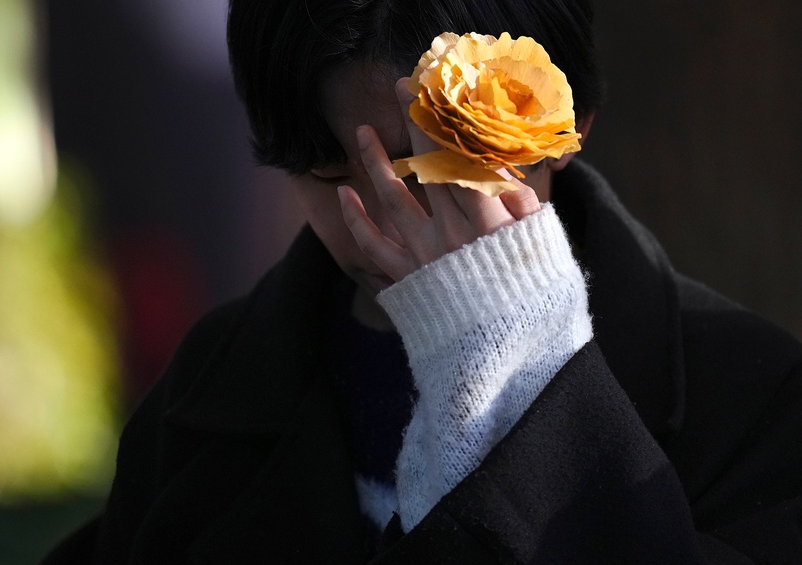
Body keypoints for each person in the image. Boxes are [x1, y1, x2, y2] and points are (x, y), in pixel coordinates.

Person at [44, 0, 802, 562]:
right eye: (335, 175)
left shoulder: (748, 394)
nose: (389, 222)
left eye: (437, 174)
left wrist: (513, 354)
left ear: (568, 130)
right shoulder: (215, 386)